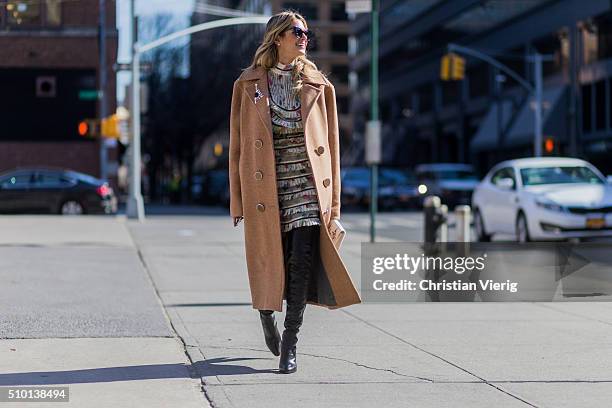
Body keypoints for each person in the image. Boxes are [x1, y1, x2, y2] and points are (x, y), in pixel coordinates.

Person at [228, 10, 361, 374]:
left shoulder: (321, 85)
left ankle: (291, 342)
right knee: (272, 260)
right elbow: (238, 147)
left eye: (306, 32)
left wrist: (333, 208)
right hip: (265, 186)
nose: (304, 37)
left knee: (301, 263)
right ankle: (267, 311)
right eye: (296, 32)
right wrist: (237, 199)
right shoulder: (248, 84)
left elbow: (331, 151)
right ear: (277, 38)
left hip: (306, 186)